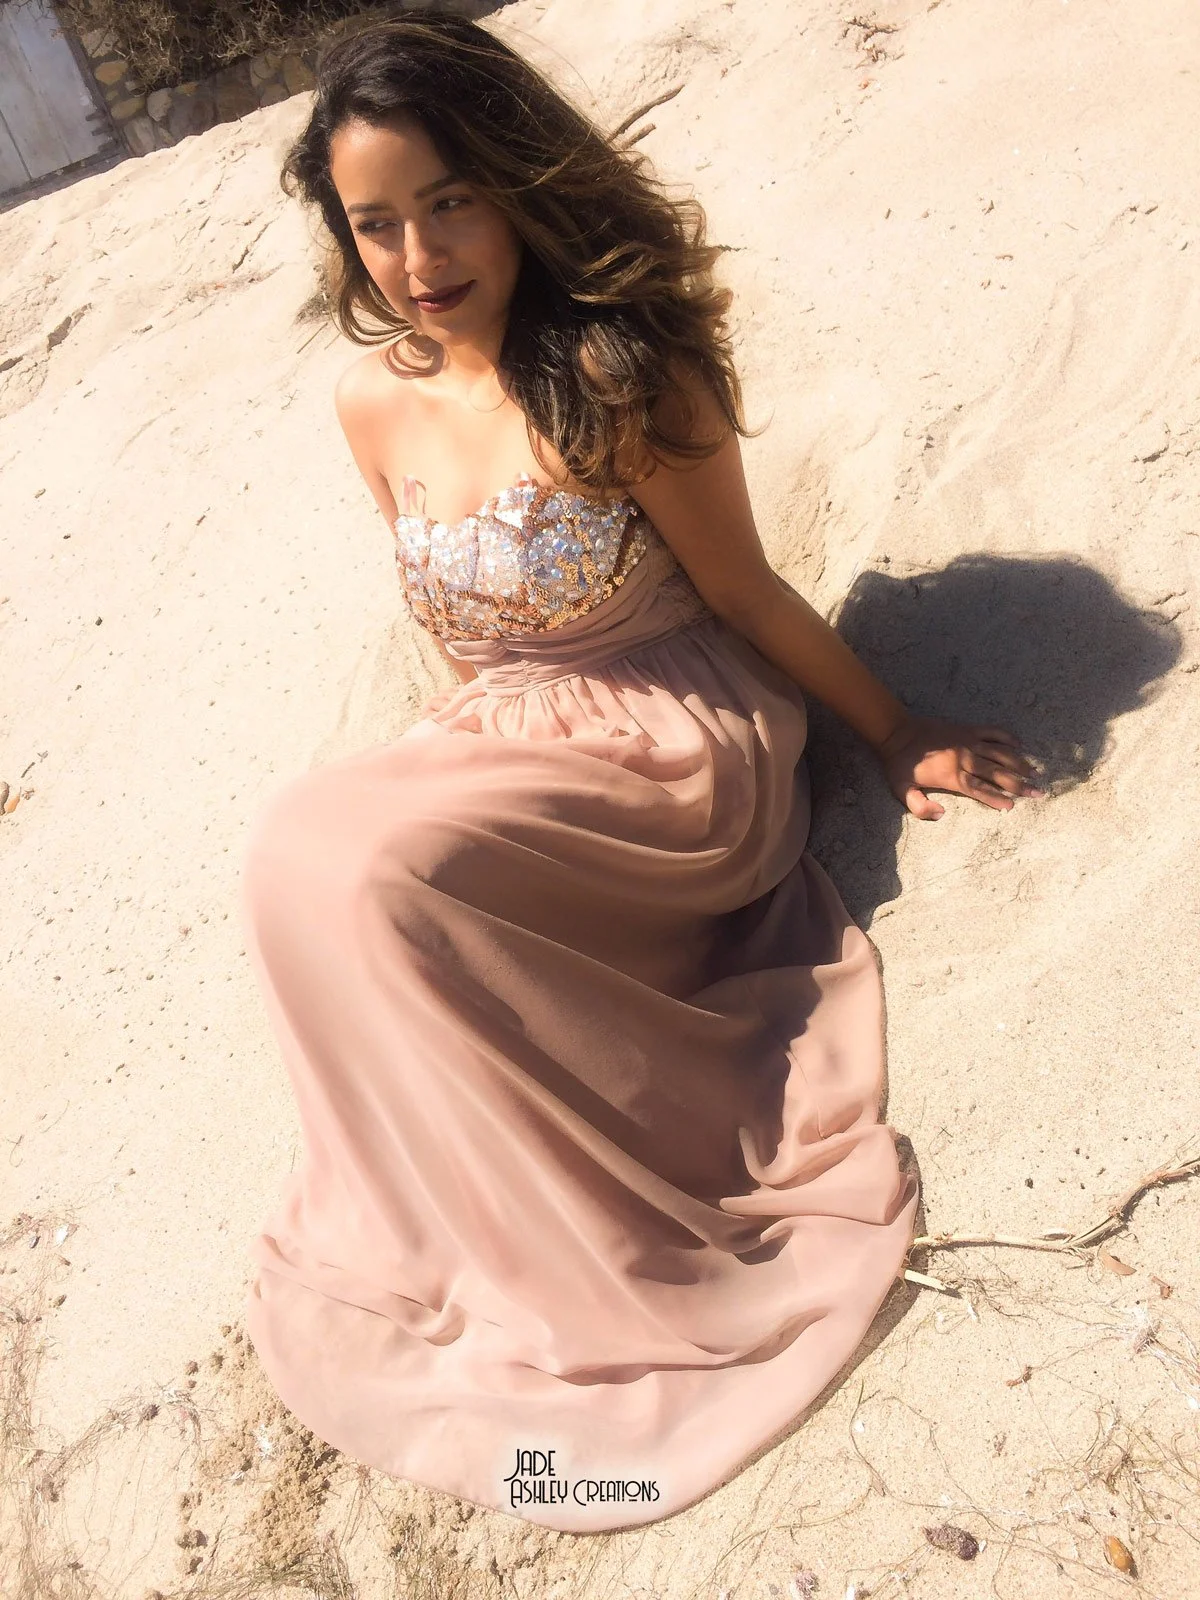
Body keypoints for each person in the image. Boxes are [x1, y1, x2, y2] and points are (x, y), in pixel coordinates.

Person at [239, 10, 1042, 1533]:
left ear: (521, 182)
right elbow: (464, 650)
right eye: (378, 222)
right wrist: (468, 777)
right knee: (303, 857)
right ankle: (459, 1194)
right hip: (511, 736)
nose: (419, 254)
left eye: (451, 198)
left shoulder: (624, 370)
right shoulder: (372, 401)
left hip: (676, 742)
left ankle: (604, 1252)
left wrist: (889, 730)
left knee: (369, 868)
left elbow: (744, 596)